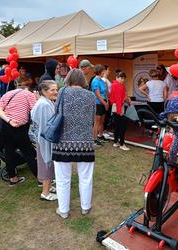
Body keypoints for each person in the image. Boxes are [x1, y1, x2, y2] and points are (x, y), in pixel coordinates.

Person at [52, 69, 96, 219]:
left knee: (63, 178)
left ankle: (63, 210)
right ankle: (85, 207)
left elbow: (56, 112)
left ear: (69, 78)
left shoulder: (63, 92)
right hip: (86, 142)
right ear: (82, 79)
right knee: (86, 177)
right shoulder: (90, 95)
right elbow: (92, 120)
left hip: (63, 141)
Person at [0, 86, 38, 186]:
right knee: (28, 152)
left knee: (9, 151)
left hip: (5, 124)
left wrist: (9, 120)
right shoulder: (28, 94)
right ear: (27, 89)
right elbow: (36, 110)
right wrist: (36, 98)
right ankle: (40, 179)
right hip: (18, 126)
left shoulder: (8, 93)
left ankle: (13, 179)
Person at [31, 80, 58, 201]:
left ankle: (49, 186)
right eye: (52, 90)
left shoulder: (46, 102)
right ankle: (45, 193)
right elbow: (46, 126)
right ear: (44, 91)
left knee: (48, 163)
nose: (55, 92)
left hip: (44, 138)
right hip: (44, 140)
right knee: (46, 163)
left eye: (56, 89)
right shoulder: (44, 104)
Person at [110, 69, 131, 151]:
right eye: (121, 78)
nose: (122, 80)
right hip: (119, 107)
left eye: (123, 78)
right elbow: (119, 99)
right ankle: (122, 144)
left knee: (117, 126)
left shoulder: (114, 84)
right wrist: (120, 111)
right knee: (122, 126)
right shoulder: (118, 85)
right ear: (117, 77)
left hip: (116, 107)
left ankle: (116, 142)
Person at [91, 64, 109, 146]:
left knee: (102, 120)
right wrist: (105, 103)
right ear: (99, 71)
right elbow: (98, 94)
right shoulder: (95, 81)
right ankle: (94, 139)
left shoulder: (102, 81)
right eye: (103, 71)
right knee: (97, 122)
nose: (104, 72)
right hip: (98, 103)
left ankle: (100, 135)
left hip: (103, 102)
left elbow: (105, 93)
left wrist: (107, 102)